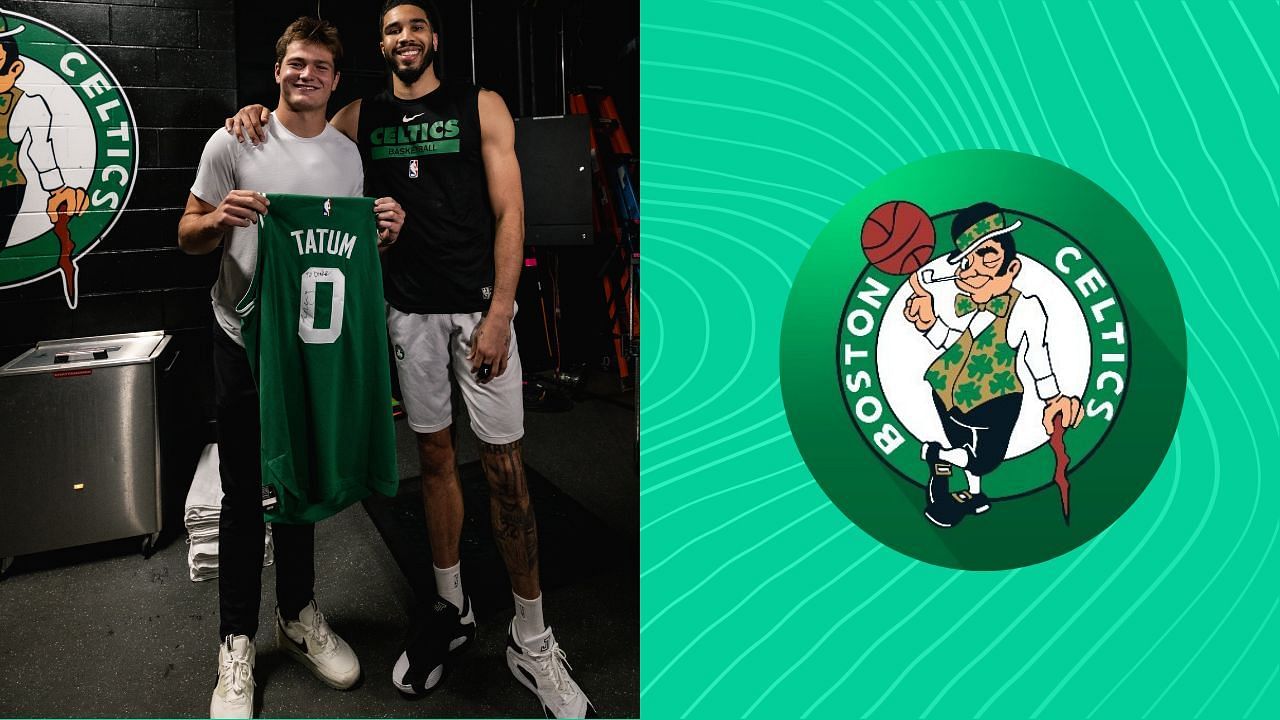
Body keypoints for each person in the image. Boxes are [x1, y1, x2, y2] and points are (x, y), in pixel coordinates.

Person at [227, 2, 592, 716]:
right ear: (383, 45)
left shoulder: (480, 104)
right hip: (408, 312)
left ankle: (533, 637)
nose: (403, 38)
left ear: (433, 38)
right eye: (391, 30)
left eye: (414, 27)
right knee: (431, 460)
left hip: (478, 309)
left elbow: (512, 213)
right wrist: (252, 116)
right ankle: (450, 611)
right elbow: (293, 138)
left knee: (506, 470)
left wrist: (499, 313)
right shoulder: (361, 118)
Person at [179, 17, 404, 719]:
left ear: (336, 79)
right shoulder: (234, 139)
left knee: (300, 481)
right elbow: (186, 235)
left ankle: (300, 615)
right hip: (243, 343)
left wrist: (383, 236)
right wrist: (218, 219)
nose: (306, 75)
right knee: (248, 493)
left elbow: (339, 247)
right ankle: (236, 641)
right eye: (295, 64)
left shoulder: (346, 156)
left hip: (312, 347)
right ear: (277, 70)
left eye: (320, 67)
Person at [903, 201, 1082, 528]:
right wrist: (928, 322)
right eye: (966, 261)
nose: (973, 269)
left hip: (993, 399)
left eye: (987, 256)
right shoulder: (971, 308)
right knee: (971, 452)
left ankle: (942, 463)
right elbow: (951, 343)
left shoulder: (1026, 308)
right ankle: (962, 479)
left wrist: (1053, 398)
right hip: (945, 390)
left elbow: (1036, 355)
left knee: (984, 459)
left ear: (1012, 268)